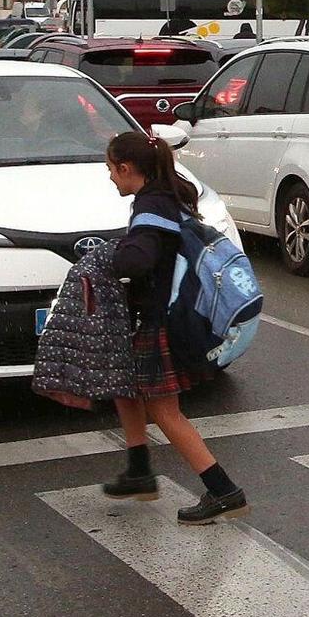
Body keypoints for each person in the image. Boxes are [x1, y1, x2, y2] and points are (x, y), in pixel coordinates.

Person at [101, 131, 249, 524]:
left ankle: (222, 489)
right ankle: (138, 470)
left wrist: (112, 255)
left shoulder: (151, 205)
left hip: (160, 318)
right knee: (126, 386)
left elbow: (139, 259)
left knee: (166, 412)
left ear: (126, 168)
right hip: (161, 314)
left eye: (111, 170)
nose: (110, 178)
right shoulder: (170, 195)